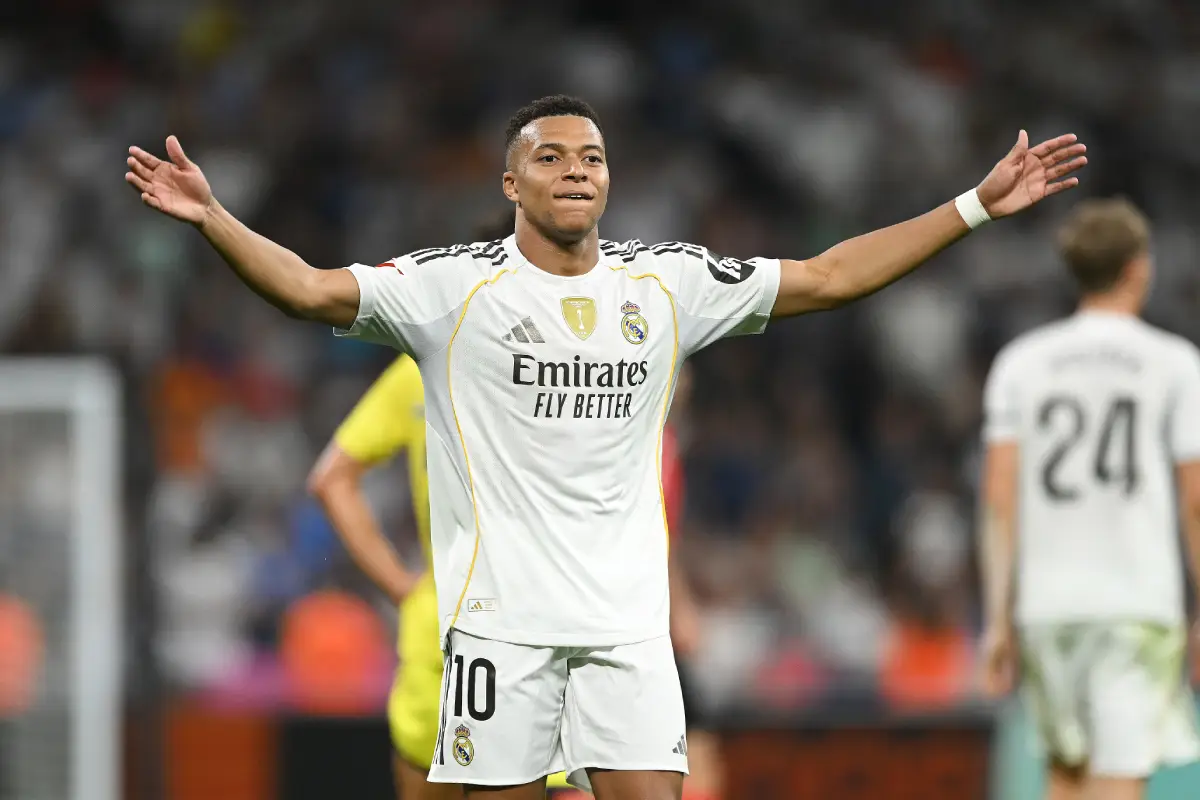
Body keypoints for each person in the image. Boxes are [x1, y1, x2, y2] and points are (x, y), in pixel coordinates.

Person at [125, 94, 1084, 800]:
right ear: (510, 183)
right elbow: (307, 289)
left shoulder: (665, 285)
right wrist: (215, 220)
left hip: (628, 631)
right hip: (499, 629)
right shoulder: (450, 291)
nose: (577, 168)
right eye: (550, 157)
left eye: (591, 155)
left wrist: (974, 208)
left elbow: (830, 275)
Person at [307, 210, 582, 800]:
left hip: (444, 622)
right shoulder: (572, 375)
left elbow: (332, 479)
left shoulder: (419, 369)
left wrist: (405, 589)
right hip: (549, 631)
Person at [978, 198, 1200, 800]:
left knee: (1066, 780)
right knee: (1119, 782)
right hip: (1135, 602)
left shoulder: (1021, 364)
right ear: (1138, 268)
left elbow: (1000, 500)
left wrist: (998, 616)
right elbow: (1195, 501)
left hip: (1049, 604)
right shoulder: (1175, 364)